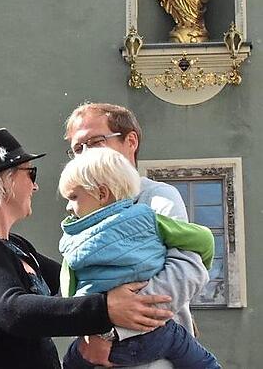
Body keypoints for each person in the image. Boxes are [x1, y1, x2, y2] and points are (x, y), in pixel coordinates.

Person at [0, 128, 175, 369]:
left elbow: (77, 279)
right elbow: (14, 311)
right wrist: (105, 309)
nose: (35, 186)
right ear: (4, 180)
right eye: (31, 173)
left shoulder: (16, 246)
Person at [65, 103, 209, 367]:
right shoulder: (82, 207)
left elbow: (185, 271)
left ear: (130, 141)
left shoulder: (156, 197)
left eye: (95, 142)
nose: (85, 154)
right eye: (77, 148)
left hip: (154, 355)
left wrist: (110, 329)